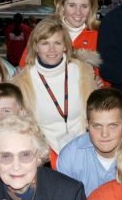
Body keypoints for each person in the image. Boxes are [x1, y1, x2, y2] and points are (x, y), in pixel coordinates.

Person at [12, 17, 99, 154]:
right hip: (45, 156)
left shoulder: (83, 72)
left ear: (65, 46)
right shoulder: (23, 82)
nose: (51, 49)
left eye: (57, 43)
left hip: (85, 150)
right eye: (45, 43)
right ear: (35, 46)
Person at [56, 89, 122, 195]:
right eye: (97, 126)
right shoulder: (70, 157)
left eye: (113, 125)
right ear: (87, 124)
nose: (105, 134)